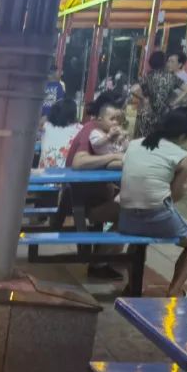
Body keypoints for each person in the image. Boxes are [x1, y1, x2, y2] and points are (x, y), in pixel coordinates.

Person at [119, 107, 187, 296]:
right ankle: (174, 291)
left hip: (126, 218)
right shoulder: (182, 157)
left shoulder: (134, 144)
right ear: (183, 135)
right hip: (157, 217)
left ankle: (133, 286)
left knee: (138, 239)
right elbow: (174, 197)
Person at [67, 94, 127, 280]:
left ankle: (108, 257)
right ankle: (99, 263)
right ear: (101, 118)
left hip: (91, 195)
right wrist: (114, 157)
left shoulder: (104, 132)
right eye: (113, 118)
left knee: (132, 211)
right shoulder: (91, 131)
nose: (117, 122)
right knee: (130, 215)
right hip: (80, 200)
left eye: (119, 118)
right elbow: (78, 162)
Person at [130, 50, 186, 139]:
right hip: (163, 116)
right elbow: (186, 90)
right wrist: (174, 103)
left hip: (146, 115)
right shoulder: (172, 77)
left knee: (140, 142)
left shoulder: (148, 76)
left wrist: (143, 99)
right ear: (164, 63)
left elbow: (133, 89)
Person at [39, 98, 81, 169]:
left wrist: (47, 117)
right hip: (68, 172)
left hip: (45, 172)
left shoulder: (45, 126)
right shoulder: (80, 129)